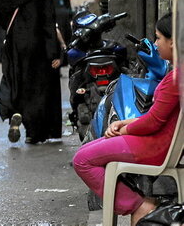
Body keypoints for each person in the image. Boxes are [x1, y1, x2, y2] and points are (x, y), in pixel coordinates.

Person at [73, 13, 179, 225]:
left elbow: (153, 123)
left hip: (154, 146)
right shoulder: (175, 75)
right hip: (156, 141)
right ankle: (138, 203)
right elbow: (156, 117)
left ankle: (140, 205)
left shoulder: (175, 79)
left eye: (158, 38)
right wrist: (124, 123)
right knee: (85, 153)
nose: (155, 44)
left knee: (82, 160)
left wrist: (124, 130)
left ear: (173, 41)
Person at [0, 0, 61, 144]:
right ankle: (34, 132)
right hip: (39, 50)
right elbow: (49, 25)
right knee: (38, 90)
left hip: (16, 48)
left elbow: (0, 14)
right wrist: (54, 54)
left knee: (17, 82)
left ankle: (16, 112)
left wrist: (13, 32)